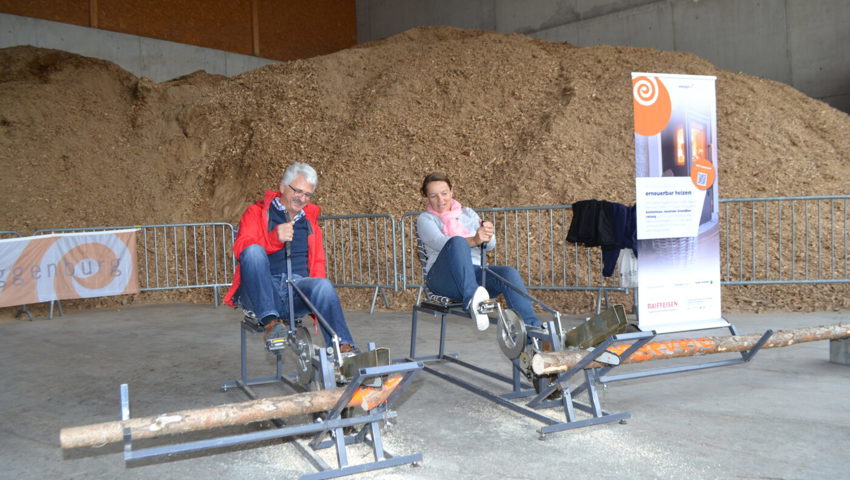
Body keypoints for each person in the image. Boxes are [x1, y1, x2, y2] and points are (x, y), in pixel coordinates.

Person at [224, 162, 357, 353]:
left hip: (296, 291)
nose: (302, 198)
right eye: (298, 191)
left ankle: (343, 348)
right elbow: (241, 248)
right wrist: (274, 238)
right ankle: (271, 324)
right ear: (282, 187)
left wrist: (319, 307)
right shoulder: (256, 212)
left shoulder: (310, 222)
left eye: (307, 195)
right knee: (253, 251)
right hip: (263, 290)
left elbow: (318, 263)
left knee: (323, 285)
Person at [417, 172, 541, 331]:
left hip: (474, 273)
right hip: (444, 279)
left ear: (452, 191)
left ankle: (532, 330)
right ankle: (472, 301)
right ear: (426, 197)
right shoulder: (426, 219)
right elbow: (441, 243)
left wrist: (488, 234)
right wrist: (475, 240)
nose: (440, 200)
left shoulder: (468, 213)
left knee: (508, 273)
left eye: (444, 193)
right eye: (433, 196)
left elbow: (489, 246)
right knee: (456, 241)